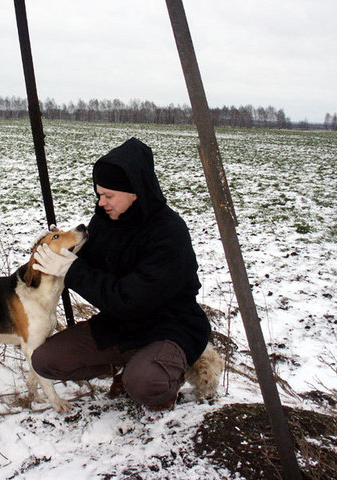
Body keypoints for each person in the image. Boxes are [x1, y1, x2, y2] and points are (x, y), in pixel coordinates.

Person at [31, 137, 211, 411]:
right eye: (98, 194)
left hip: (170, 326)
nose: (101, 202)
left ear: (135, 191)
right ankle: (127, 364)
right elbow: (84, 263)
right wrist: (55, 254)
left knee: (144, 383)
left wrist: (71, 269)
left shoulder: (169, 233)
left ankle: (164, 375)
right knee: (45, 360)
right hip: (121, 326)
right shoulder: (105, 220)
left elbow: (129, 299)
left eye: (108, 195)